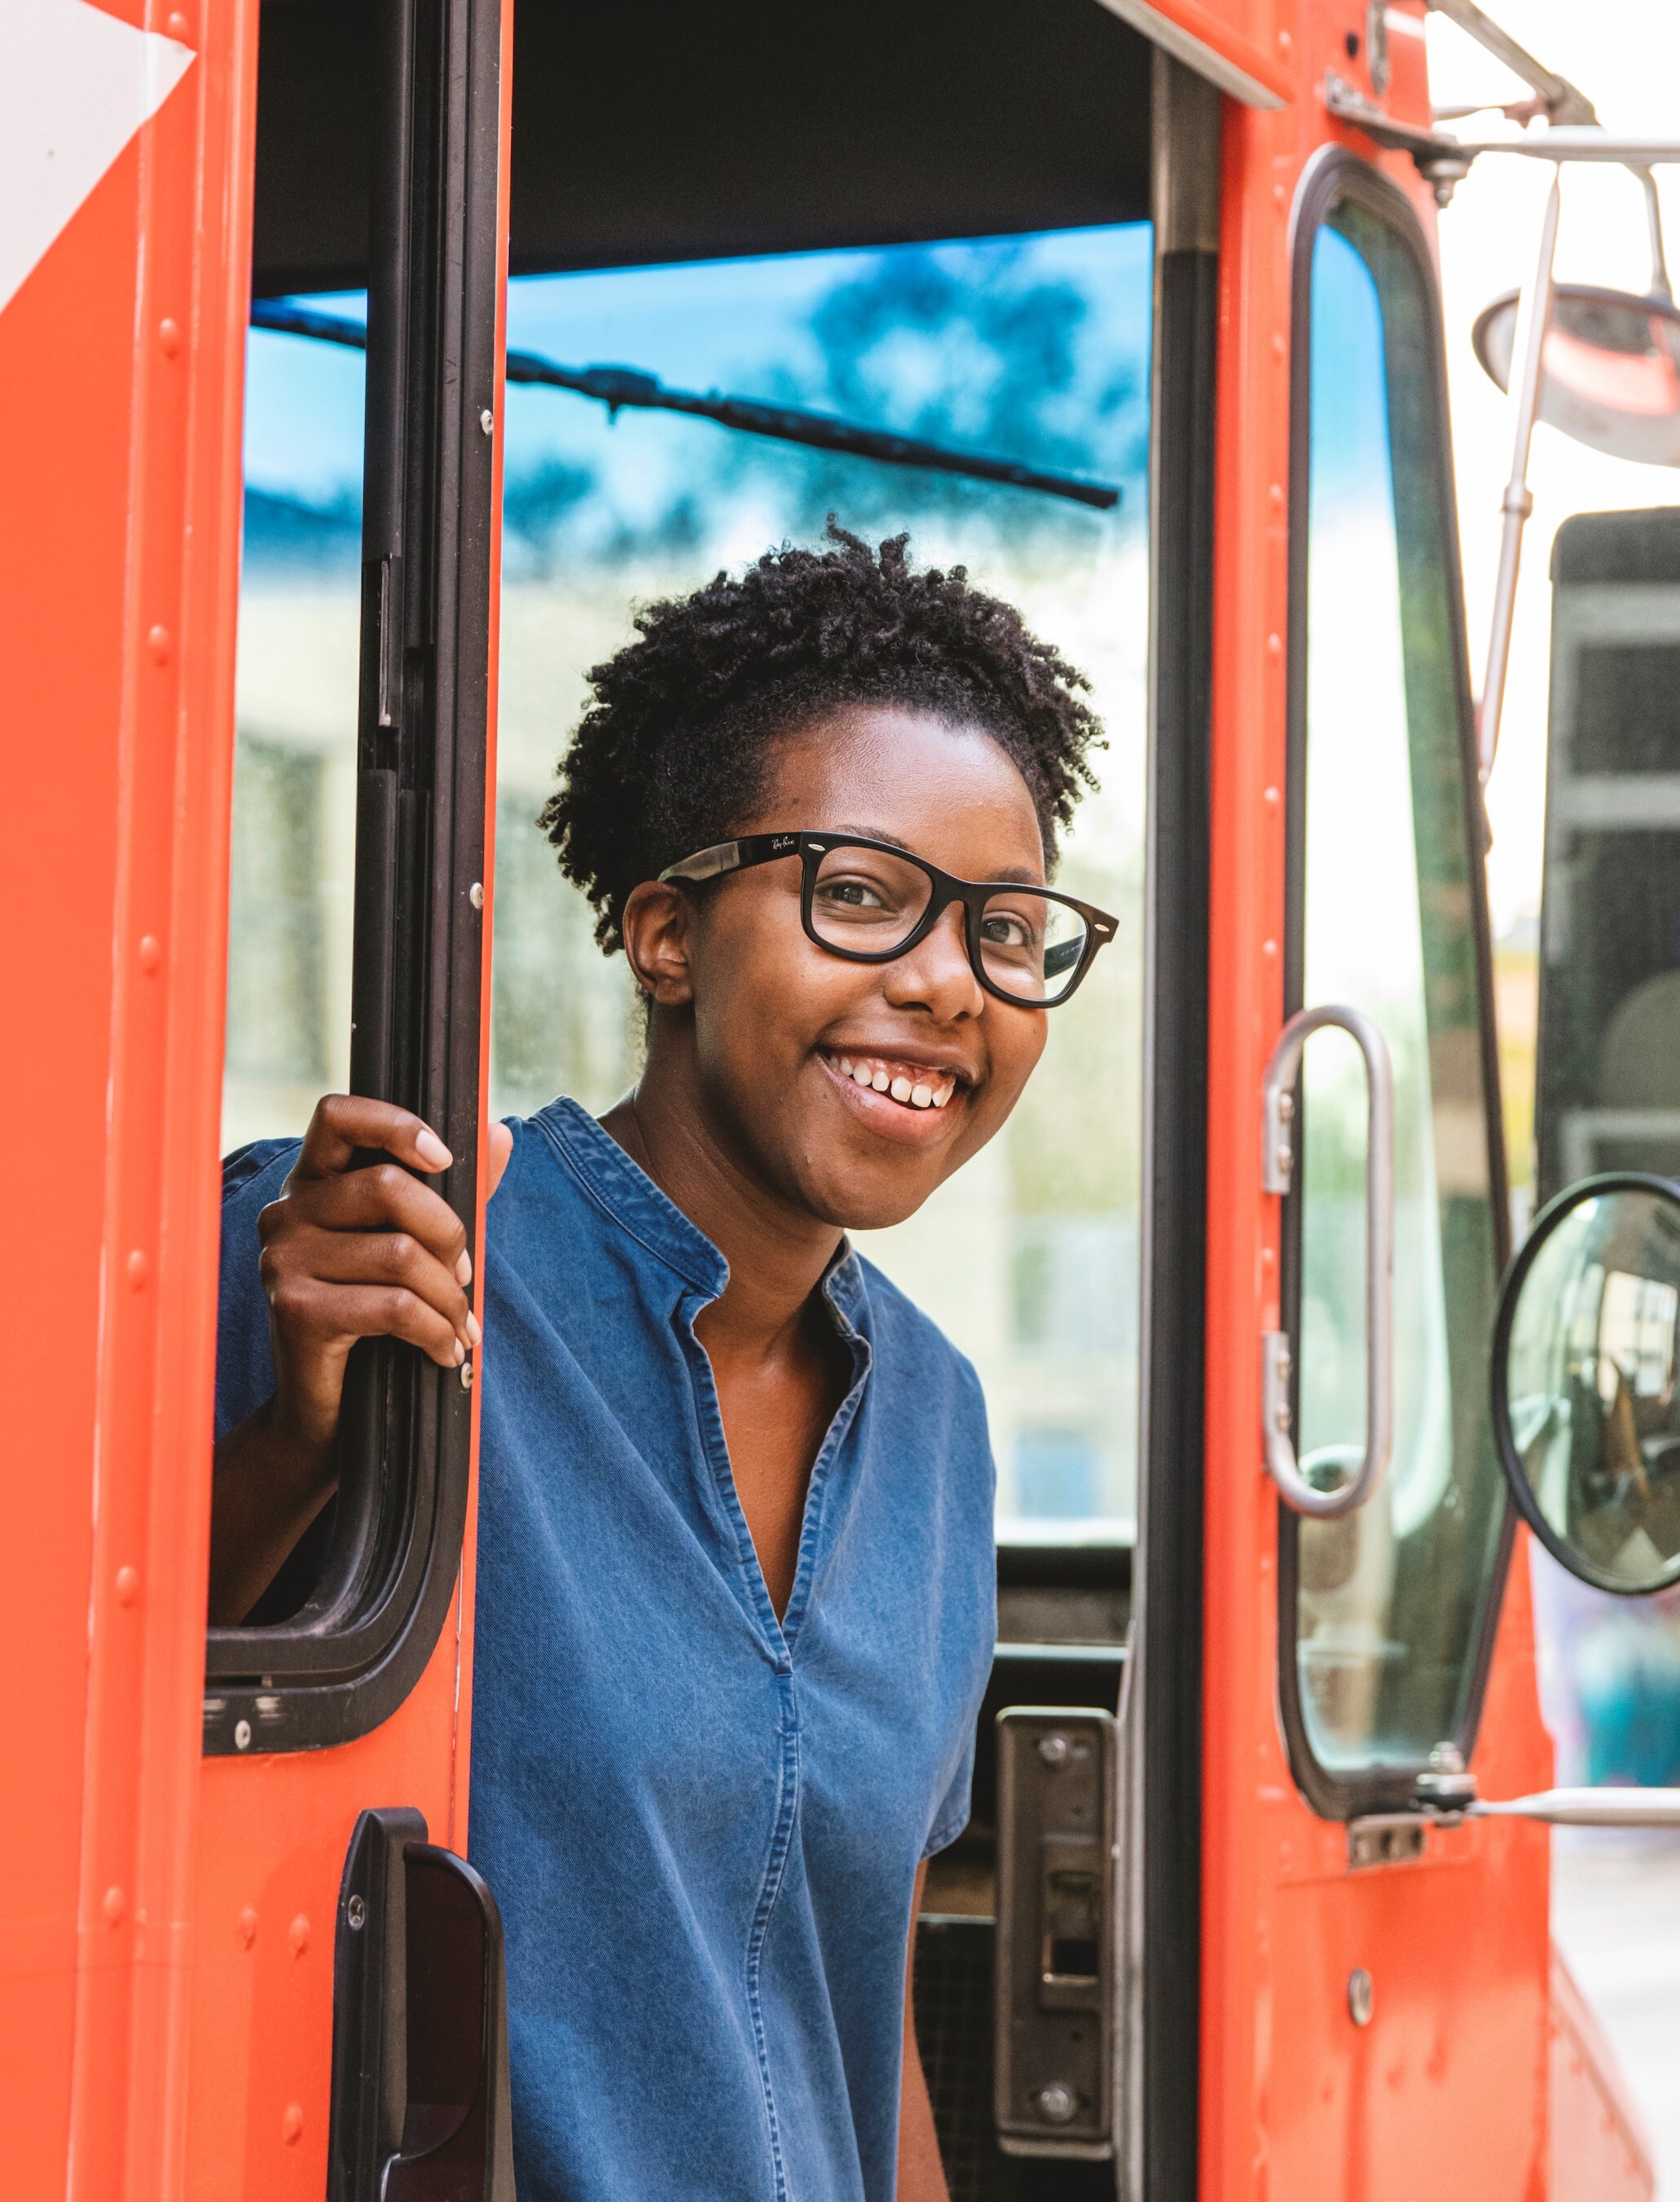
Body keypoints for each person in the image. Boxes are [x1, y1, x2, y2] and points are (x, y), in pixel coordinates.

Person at [208, 527, 1115, 2201]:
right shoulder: (369, 1246)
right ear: (663, 934)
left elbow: (856, 2014)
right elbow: (85, 1737)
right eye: (856, 894)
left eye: (1006, 928)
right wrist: (292, 1430)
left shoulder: (932, 1423)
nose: (942, 984)